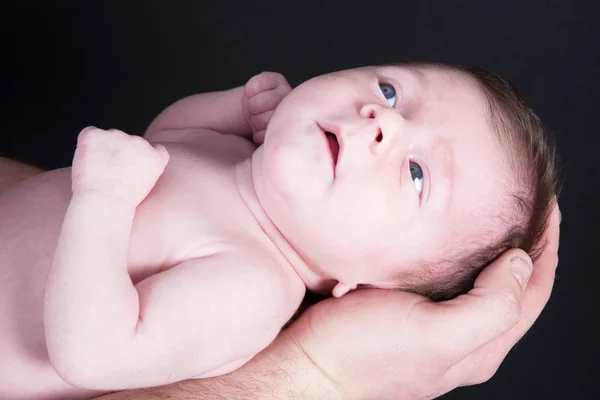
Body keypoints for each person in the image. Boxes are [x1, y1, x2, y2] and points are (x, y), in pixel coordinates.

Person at [0, 61, 559, 399]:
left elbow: (93, 352)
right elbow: (165, 138)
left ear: (366, 288)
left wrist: (104, 199)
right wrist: (233, 111)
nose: (384, 119)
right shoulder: (232, 157)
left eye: (417, 176)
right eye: (391, 91)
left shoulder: (253, 288)